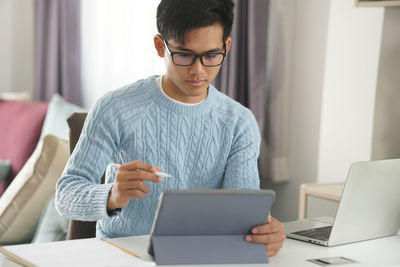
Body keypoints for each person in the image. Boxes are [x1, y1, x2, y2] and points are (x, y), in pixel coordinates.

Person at [55, 0, 286, 257]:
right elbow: (65, 196)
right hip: (123, 255)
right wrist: (112, 195)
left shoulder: (239, 122)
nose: (198, 71)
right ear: (159, 46)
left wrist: (263, 233)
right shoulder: (115, 107)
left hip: (201, 256)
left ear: (226, 47)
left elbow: (244, 216)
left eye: (211, 56)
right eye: (184, 55)